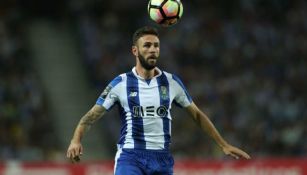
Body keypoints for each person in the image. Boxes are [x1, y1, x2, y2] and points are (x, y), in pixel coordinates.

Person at [66, 26, 251, 175]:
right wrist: (76, 140)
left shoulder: (171, 82)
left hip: (162, 158)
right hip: (131, 156)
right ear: (135, 50)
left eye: (156, 45)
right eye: (147, 45)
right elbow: (91, 116)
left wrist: (223, 145)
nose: (153, 50)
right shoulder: (120, 84)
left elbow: (197, 115)